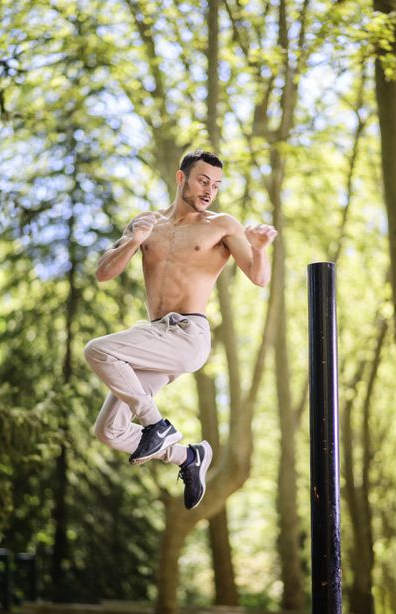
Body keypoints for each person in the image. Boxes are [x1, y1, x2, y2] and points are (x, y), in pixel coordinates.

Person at [84, 149, 277, 510]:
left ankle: (156, 425)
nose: (209, 190)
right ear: (181, 178)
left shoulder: (222, 224)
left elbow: (259, 277)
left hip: (188, 334)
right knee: (108, 431)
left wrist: (260, 248)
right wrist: (133, 241)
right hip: (156, 337)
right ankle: (187, 456)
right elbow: (103, 273)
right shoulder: (148, 223)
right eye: (203, 180)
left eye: (216, 185)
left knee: (98, 349)